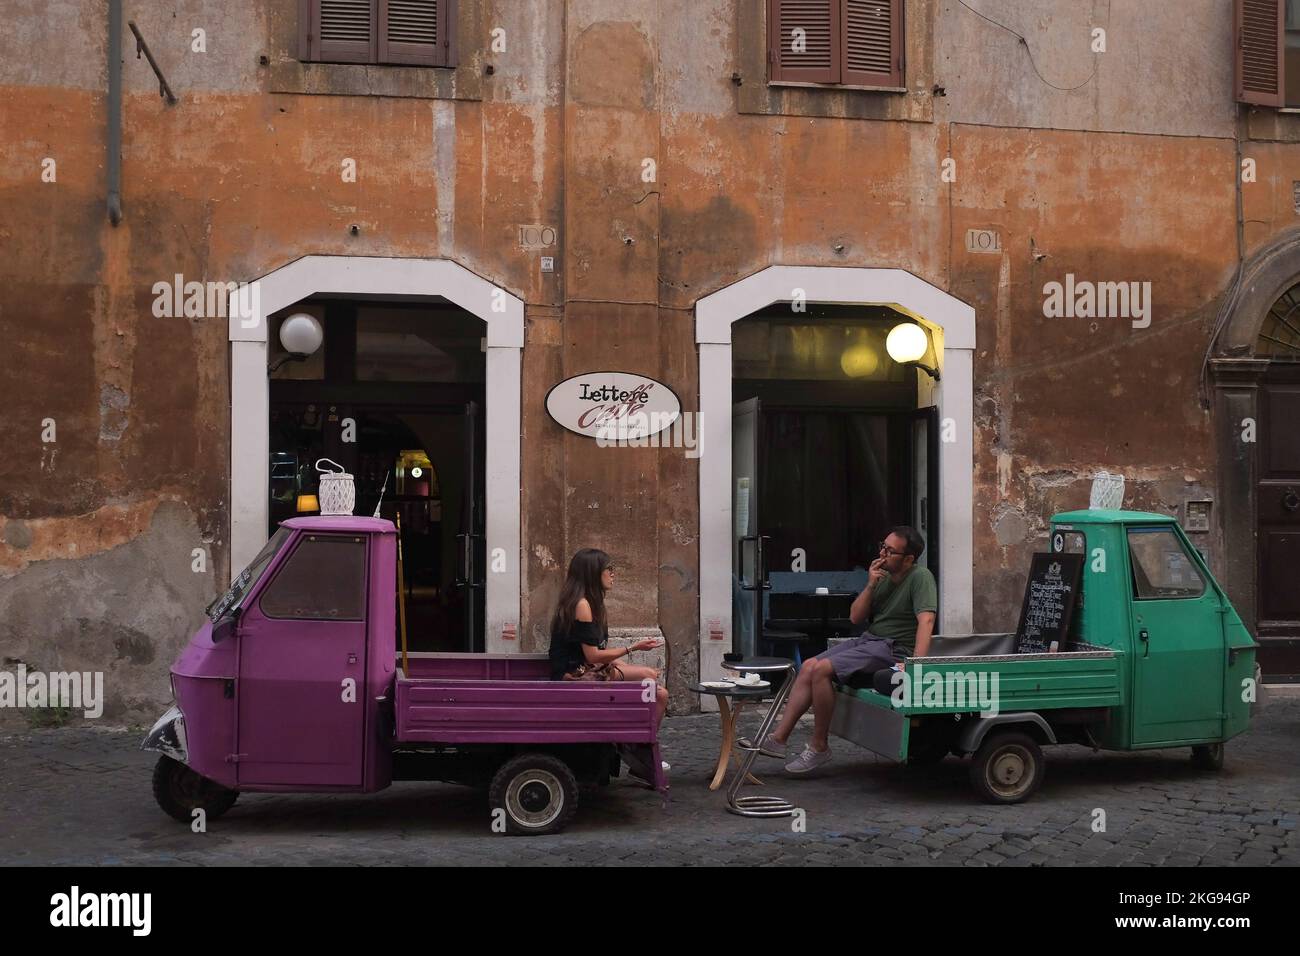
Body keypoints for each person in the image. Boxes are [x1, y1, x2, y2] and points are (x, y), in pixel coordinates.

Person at [745, 526, 937, 774]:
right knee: (809, 666)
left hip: (894, 647)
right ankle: (778, 739)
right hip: (870, 639)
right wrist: (870, 585)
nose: (882, 553)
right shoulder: (883, 577)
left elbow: (927, 621)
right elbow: (855, 617)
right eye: (882, 546)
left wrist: (916, 666)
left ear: (909, 558)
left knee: (822, 670)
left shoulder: (920, 578)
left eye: (890, 551)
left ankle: (819, 746)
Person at [548, 548, 669, 733]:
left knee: (660, 693)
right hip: (575, 675)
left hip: (587, 667)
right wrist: (633, 648)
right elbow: (593, 655)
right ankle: (639, 740)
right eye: (609, 568)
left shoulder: (590, 604)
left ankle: (642, 741)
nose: (613, 573)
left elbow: (595, 652)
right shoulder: (582, 605)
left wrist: (622, 664)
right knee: (649, 677)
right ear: (593, 573)